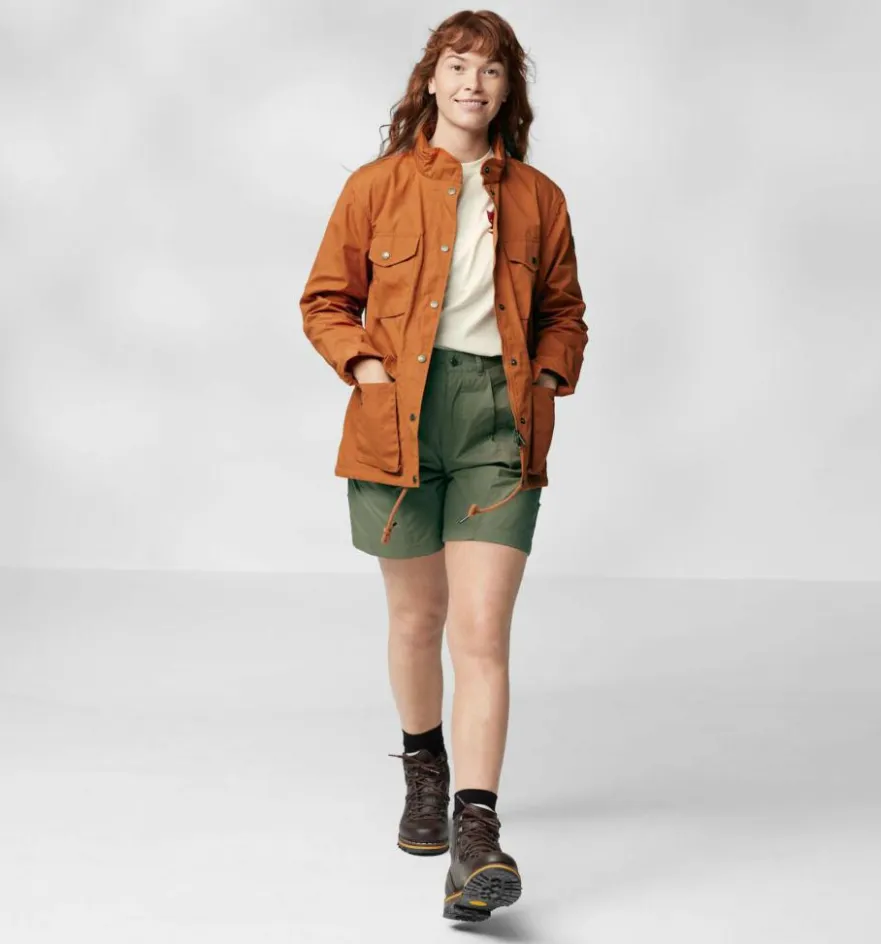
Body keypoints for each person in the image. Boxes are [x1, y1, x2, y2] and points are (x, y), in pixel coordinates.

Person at [298, 9, 587, 923]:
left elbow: (565, 312)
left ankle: (476, 835)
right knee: (418, 618)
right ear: (431, 79)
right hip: (399, 420)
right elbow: (324, 300)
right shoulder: (376, 186)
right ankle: (425, 768)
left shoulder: (539, 198)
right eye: (458, 66)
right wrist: (367, 368)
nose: (473, 83)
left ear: (507, 90)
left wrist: (545, 379)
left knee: (482, 632)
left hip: (500, 423)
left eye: (491, 70)